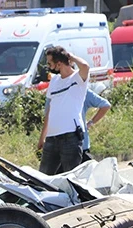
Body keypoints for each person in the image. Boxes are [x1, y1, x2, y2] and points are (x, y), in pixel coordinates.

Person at [37, 46, 90, 175]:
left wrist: (70, 57)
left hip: (70, 137)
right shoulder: (54, 81)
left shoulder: (77, 79)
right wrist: (42, 137)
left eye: (50, 63)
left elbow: (85, 66)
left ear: (59, 64)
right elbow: (50, 110)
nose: (48, 66)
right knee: (43, 177)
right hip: (51, 138)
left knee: (71, 177)